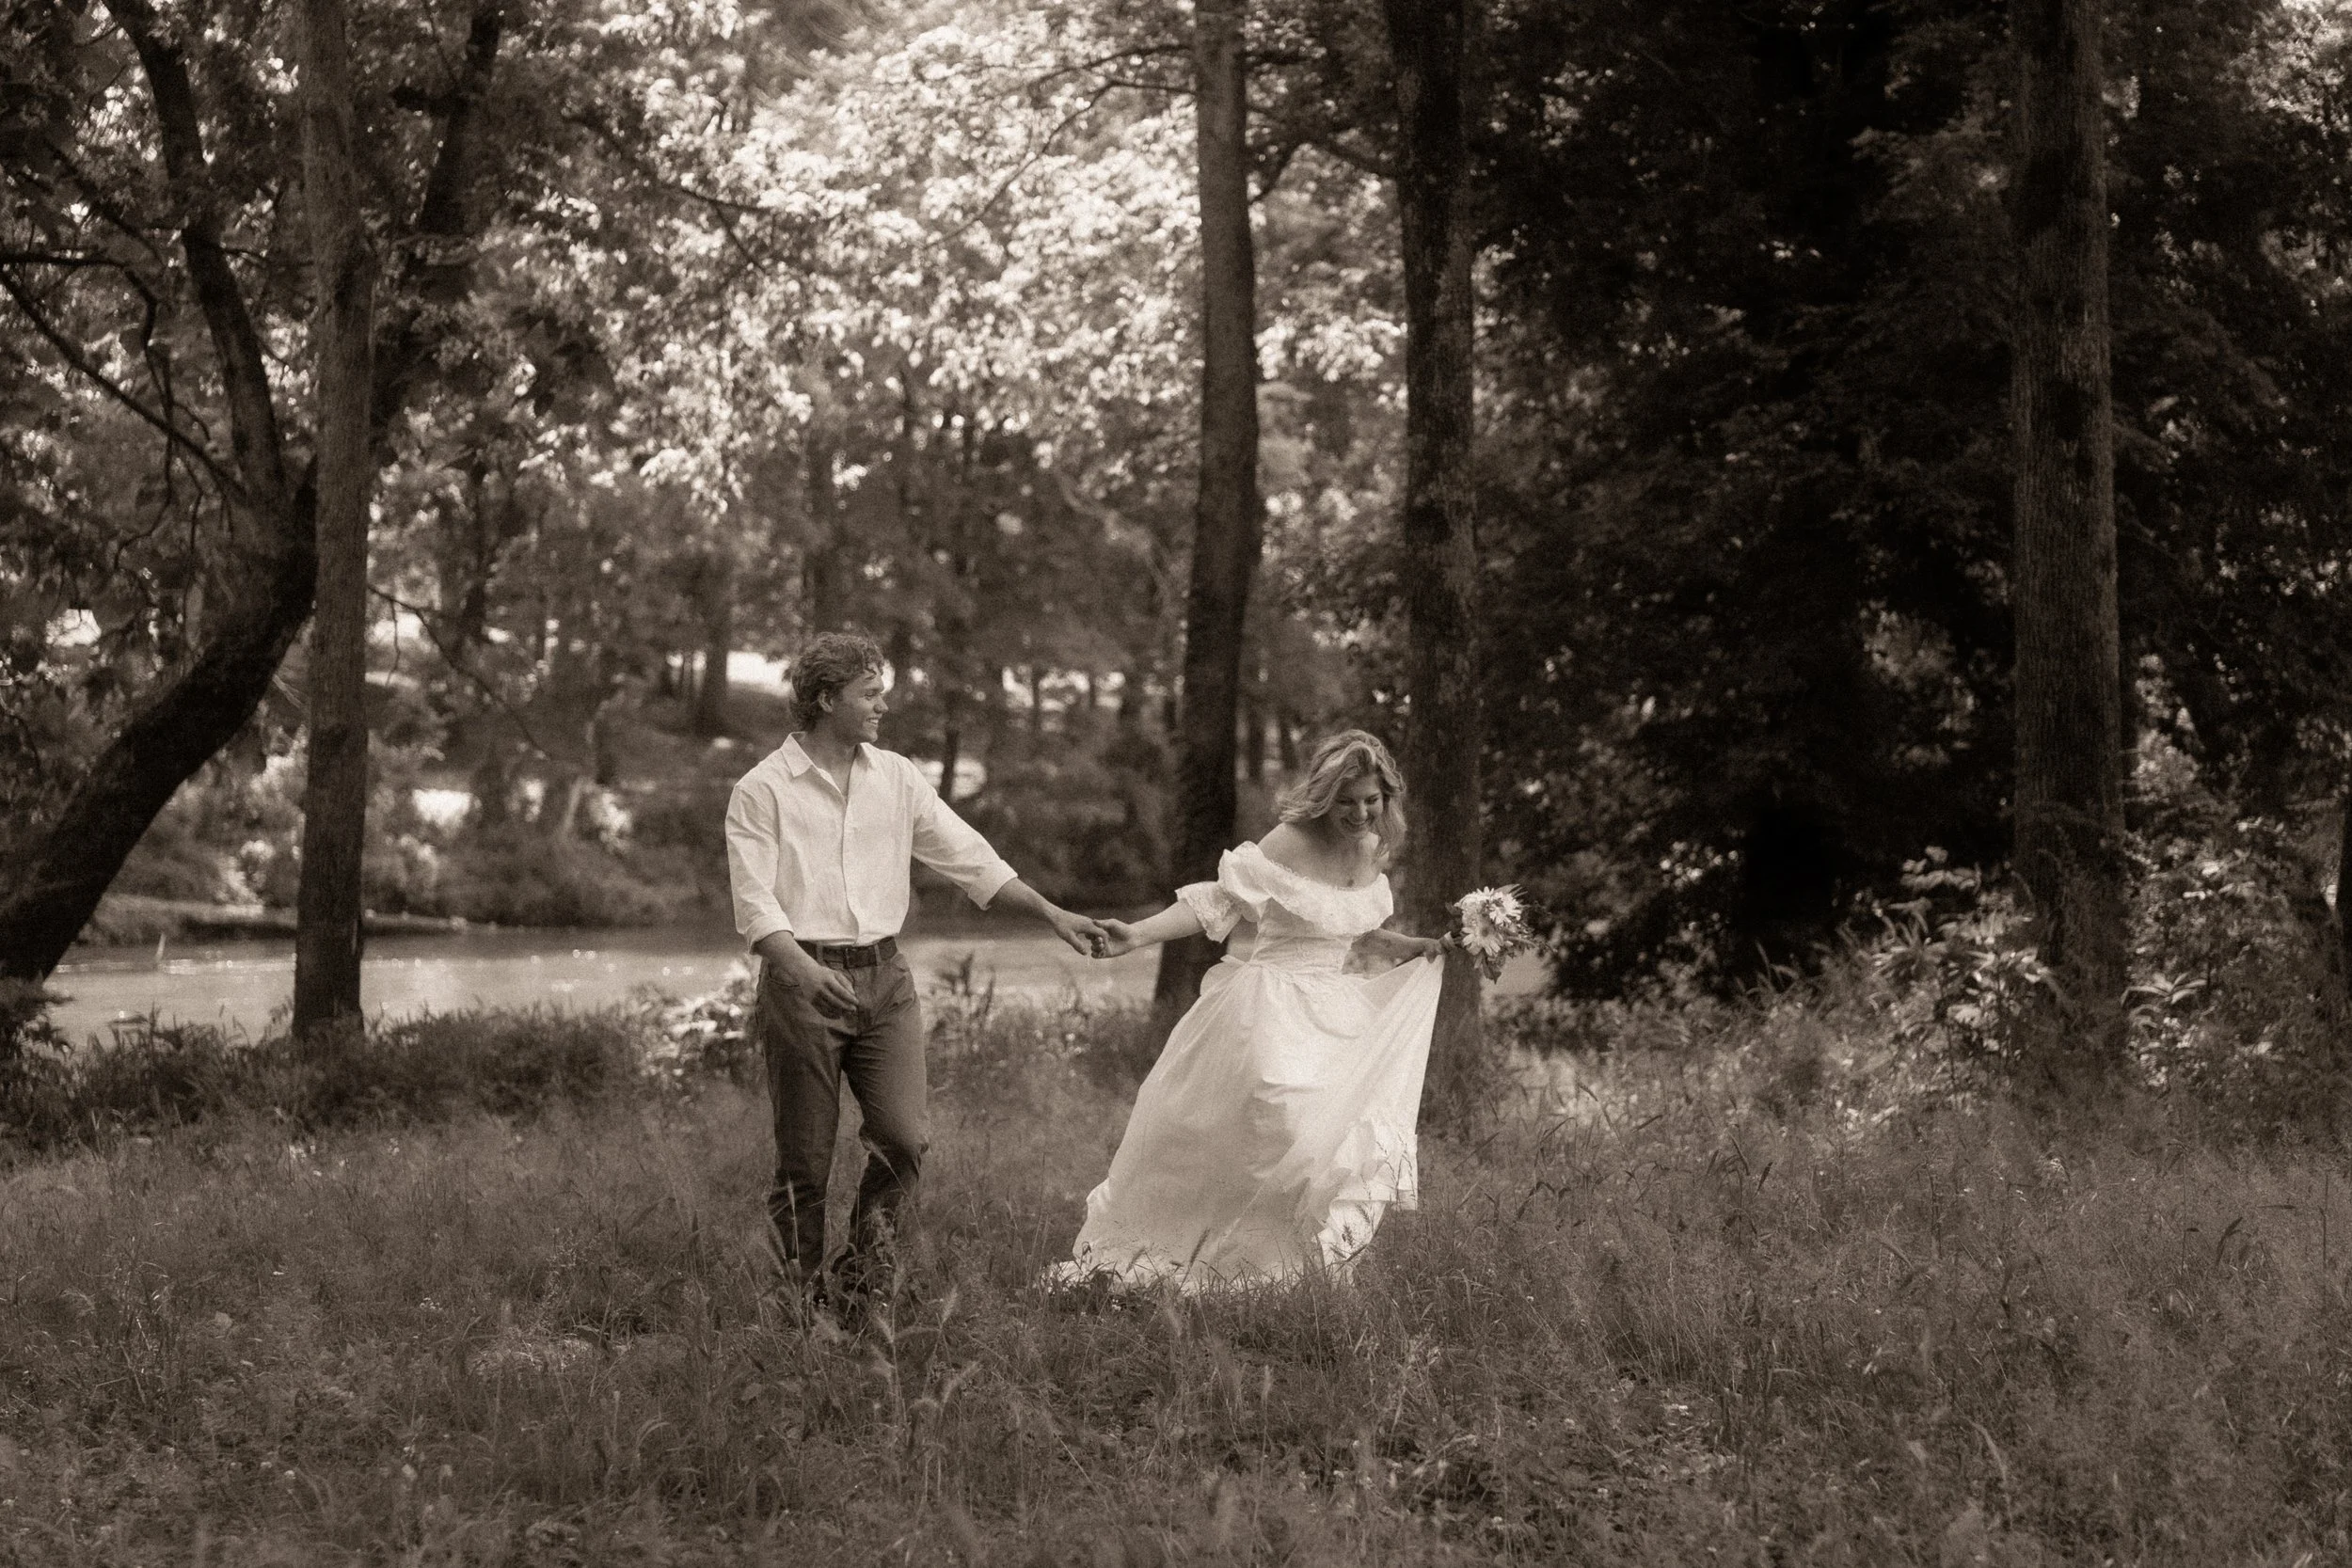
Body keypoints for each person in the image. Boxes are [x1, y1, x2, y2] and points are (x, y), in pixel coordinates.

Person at [726, 632, 1105, 1314]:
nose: (883, 705)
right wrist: (803, 969)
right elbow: (754, 904)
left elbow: (970, 859)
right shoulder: (762, 790)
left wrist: (1051, 911)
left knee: (904, 1138)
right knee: (804, 1163)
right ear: (825, 698)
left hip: (885, 981)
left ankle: (857, 1282)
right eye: (869, 693)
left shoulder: (897, 778)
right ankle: (799, 1305)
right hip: (800, 981)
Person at [1058, 730, 1446, 1290]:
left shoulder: (1368, 847)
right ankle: (1209, 1249)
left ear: (1387, 798)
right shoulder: (1289, 840)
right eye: (1347, 800)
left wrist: (1406, 946)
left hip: (1333, 1011)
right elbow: (1219, 902)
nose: (1360, 813)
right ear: (1323, 795)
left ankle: (1286, 1267)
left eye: (1371, 800)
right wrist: (1137, 936)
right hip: (1272, 1002)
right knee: (1282, 1116)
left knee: (1331, 1141)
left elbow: (1348, 924)